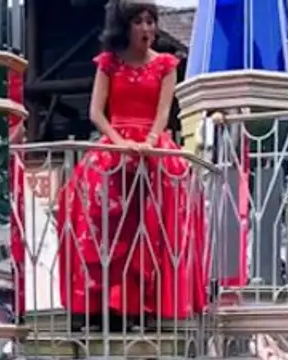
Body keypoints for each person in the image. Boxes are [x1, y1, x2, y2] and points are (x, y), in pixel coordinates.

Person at [54, 2, 206, 325]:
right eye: (139, 22)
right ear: (125, 26)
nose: (147, 29)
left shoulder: (167, 64)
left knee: (159, 216)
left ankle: (150, 305)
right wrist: (120, 143)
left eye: (151, 21)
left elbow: (165, 113)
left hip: (151, 144)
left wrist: (149, 144)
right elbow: (96, 112)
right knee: (87, 204)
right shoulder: (108, 62)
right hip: (116, 140)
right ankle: (96, 305)